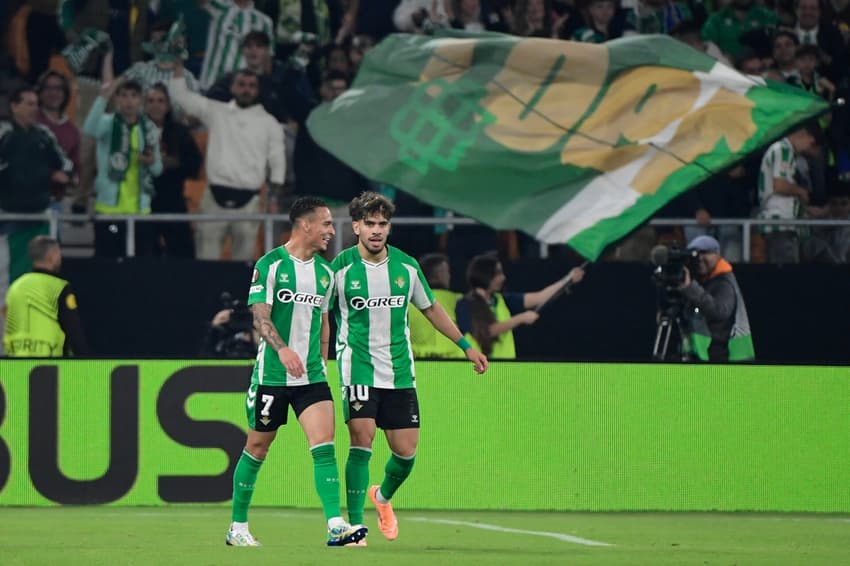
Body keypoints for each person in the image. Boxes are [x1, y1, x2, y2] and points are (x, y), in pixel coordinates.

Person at [330, 191, 488, 546]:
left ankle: (382, 498)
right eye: (369, 223)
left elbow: (431, 309)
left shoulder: (406, 267)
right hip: (358, 369)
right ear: (355, 226)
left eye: (382, 224)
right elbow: (319, 315)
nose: (376, 230)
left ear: (389, 227)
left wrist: (465, 346)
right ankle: (355, 528)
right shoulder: (339, 268)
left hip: (399, 371)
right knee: (362, 437)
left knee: (406, 451)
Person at [226, 196, 367, 547]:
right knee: (257, 447)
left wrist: (321, 358)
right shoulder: (270, 264)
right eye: (326, 224)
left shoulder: (325, 273)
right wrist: (283, 348)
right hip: (273, 374)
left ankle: (336, 524)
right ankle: (237, 527)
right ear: (305, 225)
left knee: (324, 445)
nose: (332, 232)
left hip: (311, 377)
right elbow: (260, 316)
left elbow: (323, 323)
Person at [169, 63, 285, 261]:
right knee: (206, 264)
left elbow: (277, 163)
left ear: (257, 90)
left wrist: (273, 199)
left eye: (251, 85)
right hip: (213, 198)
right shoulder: (216, 111)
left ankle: (240, 294)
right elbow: (181, 96)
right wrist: (178, 66)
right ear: (232, 88)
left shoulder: (269, 123)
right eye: (241, 84)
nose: (246, 89)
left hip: (249, 203)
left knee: (245, 266)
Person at [82, 77, 163, 258]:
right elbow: (89, 129)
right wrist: (103, 97)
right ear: (117, 99)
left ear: (140, 100)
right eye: (124, 95)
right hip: (109, 209)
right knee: (107, 264)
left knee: (140, 265)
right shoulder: (107, 123)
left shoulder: (149, 128)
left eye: (134, 96)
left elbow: (157, 169)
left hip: (140, 211)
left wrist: (151, 162)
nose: (129, 101)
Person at [455, 252, 585, 359]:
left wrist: (568, 280)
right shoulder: (464, 305)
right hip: (473, 369)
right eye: (498, 273)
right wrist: (520, 319)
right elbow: (487, 332)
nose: (503, 277)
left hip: (502, 368)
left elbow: (540, 297)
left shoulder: (503, 300)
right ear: (486, 276)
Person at [3, 236, 89, 357]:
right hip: (50, 365)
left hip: (15, 364)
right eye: (58, 253)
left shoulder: (15, 287)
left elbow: (8, 323)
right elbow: (73, 328)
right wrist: (84, 358)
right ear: (52, 256)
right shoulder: (59, 288)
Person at [144, 83, 202, 258]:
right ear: (144, 105)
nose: (156, 105)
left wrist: (171, 164)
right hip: (143, 202)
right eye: (151, 101)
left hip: (173, 199)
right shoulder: (135, 129)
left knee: (182, 254)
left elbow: (194, 165)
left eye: (161, 101)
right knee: (146, 254)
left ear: (168, 106)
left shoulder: (179, 132)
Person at [678, 235, 754, 362]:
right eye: (696, 254)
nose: (700, 259)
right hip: (710, 353)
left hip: (730, 357)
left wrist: (691, 288)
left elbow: (720, 312)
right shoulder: (702, 279)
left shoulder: (724, 282)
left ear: (717, 255)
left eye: (705, 253)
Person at [408, 252, 465, 359]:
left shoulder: (407, 303)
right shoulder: (459, 300)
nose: (449, 276)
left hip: (420, 365)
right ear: (439, 275)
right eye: (447, 272)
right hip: (457, 364)